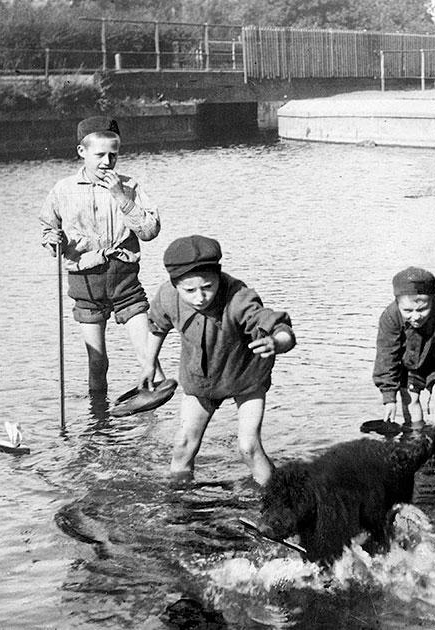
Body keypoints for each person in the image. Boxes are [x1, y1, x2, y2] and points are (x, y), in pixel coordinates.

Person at [140, 235, 296, 484]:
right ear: (175, 284)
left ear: (219, 276)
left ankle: (278, 502)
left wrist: (276, 342)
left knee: (248, 447)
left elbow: (277, 326)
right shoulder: (168, 296)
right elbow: (157, 326)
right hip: (200, 379)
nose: (200, 297)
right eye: (189, 291)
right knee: (183, 444)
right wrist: (150, 363)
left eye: (208, 287)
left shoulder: (238, 296)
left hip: (245, 376)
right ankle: (180, 506)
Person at [40, 116, 164, 394]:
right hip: (86, 284)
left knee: (149, 357)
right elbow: (48, 228)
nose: (107, 162)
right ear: (82, 152)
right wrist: (53, 241)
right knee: (97, 362)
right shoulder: (63, 190)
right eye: (100, 155)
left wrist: (121, 196)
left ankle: (153, 424)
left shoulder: (130, 186)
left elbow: (149, 231)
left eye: (114, 155)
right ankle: (99, 422)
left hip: (125, 281)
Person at [374, 267, 435, 427]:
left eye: (422, 309)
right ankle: (415, 437)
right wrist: (389, 398)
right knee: (409, 400)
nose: (415, 316)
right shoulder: (390, 317)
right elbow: (386, 359)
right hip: (410, 359)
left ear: (433, 300)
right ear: (397, 303)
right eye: (407, 310)